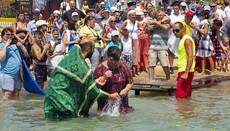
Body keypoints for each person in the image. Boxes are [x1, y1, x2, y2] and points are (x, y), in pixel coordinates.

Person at [44, 38, 119, 119]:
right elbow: (93, 91)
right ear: (88, 48)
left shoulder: (70, 57)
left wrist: (94, 82)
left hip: (50, 100)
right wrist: (110, 96)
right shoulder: (84, 68)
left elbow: (73, 82)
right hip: (63, 105)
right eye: (93, 48)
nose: (93, 51)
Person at [94, 46, 134, 114]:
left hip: (122, 105)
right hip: (104, 107)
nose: (114, 62)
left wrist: (126, 89)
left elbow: (130, 81)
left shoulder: (123, 66)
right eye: (112, 60)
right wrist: (104, 77)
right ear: (107, 56)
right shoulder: (100, 68)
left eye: (116, 60)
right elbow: (94, 88)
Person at [0, 27, 28, 100]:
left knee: (16, 94)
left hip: (18, 74)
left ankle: (14, 110)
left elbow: (26, 55)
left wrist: (22, 47)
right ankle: (4, 110)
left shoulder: (15, 45)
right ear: (3, 36)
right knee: (8, 94)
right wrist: (6, 45)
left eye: (11, 35)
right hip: (7, 73)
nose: (10, 36)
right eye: (7, 34)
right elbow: (2, 58)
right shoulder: (1, 46)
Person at [173, 22, 195, 99]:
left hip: (185, 71)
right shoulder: (182, 40)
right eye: (173, 31)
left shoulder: (187, 40)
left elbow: (190, 56)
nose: (175, 33)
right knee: (186, 97)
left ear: (182, 29)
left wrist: (186, 73)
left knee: (180, 97)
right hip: (183, 70)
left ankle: (182, 111)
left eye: (177, 30)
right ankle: (188, 111)